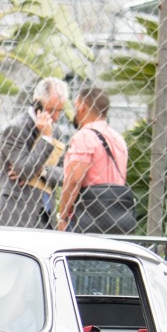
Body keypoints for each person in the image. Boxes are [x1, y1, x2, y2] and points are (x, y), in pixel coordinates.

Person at [0, 77, 69, 229]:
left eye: (60, 110)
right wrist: (45, 138)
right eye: (51, 110)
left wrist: (43, 171)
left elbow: (65, 174)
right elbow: (25, 171)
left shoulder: (56, 131)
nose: (56, 117)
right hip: (16, 216)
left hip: (45, 217)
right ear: (37, 103)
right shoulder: (15, 129)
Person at [57, 84, 130, 233]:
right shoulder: (118, 138)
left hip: (86, 217)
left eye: (75, 106)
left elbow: (74, 180)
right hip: (116, 217)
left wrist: (62, 217)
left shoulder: (84, 136)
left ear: (82, 107)